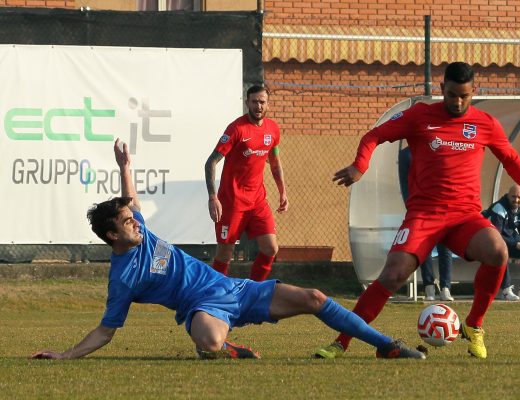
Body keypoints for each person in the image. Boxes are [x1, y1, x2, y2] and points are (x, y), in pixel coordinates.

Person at [31, 139, 425, 361]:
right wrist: (65, 355)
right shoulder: (122, 277)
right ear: (112, 236)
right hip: (205, 308)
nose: (135, 219)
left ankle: (386, 346)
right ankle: (224, 346)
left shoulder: (140, 230)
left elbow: (130, 200)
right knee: (210, 340)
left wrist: (125, 166)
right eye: (126, 221)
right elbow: (106, 330)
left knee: (315, 297)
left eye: (132, 217)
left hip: (234, 289)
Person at [315, 62, 520, 360]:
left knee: (498, 251)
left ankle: (474, 325)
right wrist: (359, 166)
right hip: (424, 215)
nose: (457, 102)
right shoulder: (420, 116)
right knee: (392, 276)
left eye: (464, 96)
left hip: (465, 217)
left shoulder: (485, 123)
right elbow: (374, 136)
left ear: (474, 92)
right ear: (442, 89)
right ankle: (341, 341)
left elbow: (511, 159)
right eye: (452, 95)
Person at [205, 85, 288, 281]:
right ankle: (216, 296)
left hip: (258, 201)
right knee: (225, 255)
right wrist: (212, 196)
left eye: (262, 102)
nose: (258, 106)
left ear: (268, 104)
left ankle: (254, 291)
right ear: (247, 103)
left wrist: (283, 191)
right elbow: (211, 161)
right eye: (254, 102)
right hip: (233, 202)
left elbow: (275, 163)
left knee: (270, 248)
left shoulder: (273, 129)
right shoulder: (237, 129)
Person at [398, 147, 454, 301]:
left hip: (444, 207)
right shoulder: (406, 155)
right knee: (425, 248)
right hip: (422, 209)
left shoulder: (441, 147)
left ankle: (445, 288)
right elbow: (405, 182)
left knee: (446, 248)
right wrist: (411, 206)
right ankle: (429, 287)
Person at [484, 184, 520, 301]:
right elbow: (496, 236)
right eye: (513, 197)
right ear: (508, 195)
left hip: (508, 241)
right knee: (502, 251)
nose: (516, 200)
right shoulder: (499, 208)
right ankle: (505, 290)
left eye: (519, 197)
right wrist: (519, 245)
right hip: (488, 244)